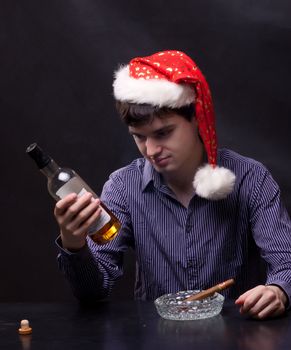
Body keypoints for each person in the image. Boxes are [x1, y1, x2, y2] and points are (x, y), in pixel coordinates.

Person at [54, 50, 291, 319]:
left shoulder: (251, 178)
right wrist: (75, 244)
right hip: (157, 339)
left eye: (163, 133)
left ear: (197, 118)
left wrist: (278, 290)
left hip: (238, 334)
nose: (151, 150)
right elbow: (94, 292)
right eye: (139, 137)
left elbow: (287, 262)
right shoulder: (123, 187)